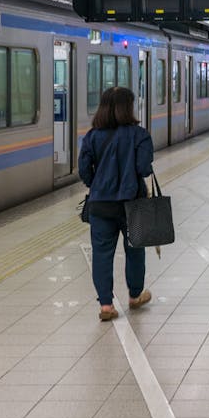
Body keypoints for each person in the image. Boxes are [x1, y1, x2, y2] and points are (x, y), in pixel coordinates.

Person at [79, 87, 155, 321]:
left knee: (101, 254)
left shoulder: (92, 136)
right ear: (128, 108)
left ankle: (105, 306)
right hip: (132, 203)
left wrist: (99, 184)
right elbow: (144, 169)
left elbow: (84, 171)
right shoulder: (139, 135)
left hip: (101, 205)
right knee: (135, 249)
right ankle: (134, 296)